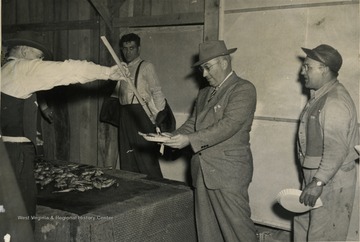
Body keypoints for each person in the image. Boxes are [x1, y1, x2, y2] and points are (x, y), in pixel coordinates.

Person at [0, 37, 128, 236]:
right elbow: (68, 69)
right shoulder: (22, 68)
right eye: (39, 57)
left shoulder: (3, 70)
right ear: (25, 52)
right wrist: (108, 72)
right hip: (16, 156)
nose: (41, 62)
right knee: (21, 216)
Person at [163, 40, 258, 242]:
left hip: (227, 172)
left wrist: (188, 140)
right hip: (202, 171)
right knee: (208, 232)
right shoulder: (205, 92)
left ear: (224, 62)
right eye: (202, 69)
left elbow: (228, 125)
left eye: (208, 67)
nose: (204, 74)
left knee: (238, 232)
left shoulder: (243, 89)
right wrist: (172, 136)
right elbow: (194, 122)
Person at [295, 44, 359, 241]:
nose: (302, 71)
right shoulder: (321, 96)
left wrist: (318, 181)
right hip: (318, 176)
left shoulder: (335, 101)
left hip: (330, 177)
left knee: (323, 236)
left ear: (323, 69)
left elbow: (335, 149)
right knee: (304, 229)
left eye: (307, 67)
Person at [111, 33, 166, 178]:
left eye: (132, 48)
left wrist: (159, 117)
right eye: (125, 48)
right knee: (127, 157)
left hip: (141, 115)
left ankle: (157, 191)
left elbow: (157, 90)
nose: (128, 52)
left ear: (138, 49)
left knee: (146, 159)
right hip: (125, 115)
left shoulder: (146, 66)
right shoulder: (121, 68)